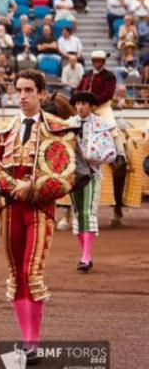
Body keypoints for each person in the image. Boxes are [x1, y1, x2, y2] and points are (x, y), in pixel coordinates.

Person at [0, 70, 81, 364]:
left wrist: (32, 187)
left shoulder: (58, 129)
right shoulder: (4, 130)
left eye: (29, 90)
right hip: (9, 210)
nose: (22, 96)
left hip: (40, 208)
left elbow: (66, 176)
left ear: (41, 93)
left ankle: (34, 343)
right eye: (18, 90)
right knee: (16, 274)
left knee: (32, 272)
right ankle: (26, 341)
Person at [67, 92, 116, 272]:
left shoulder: (101, 124)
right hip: (73, 174)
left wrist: (92, 156)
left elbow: (111, 151)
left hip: (92, 172)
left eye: (84, 104)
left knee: (88, 211)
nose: (80, 107)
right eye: (78, 103)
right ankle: (85, 254)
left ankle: (86, 257)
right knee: (79, 212)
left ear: (91, 106)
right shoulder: (69, 124)